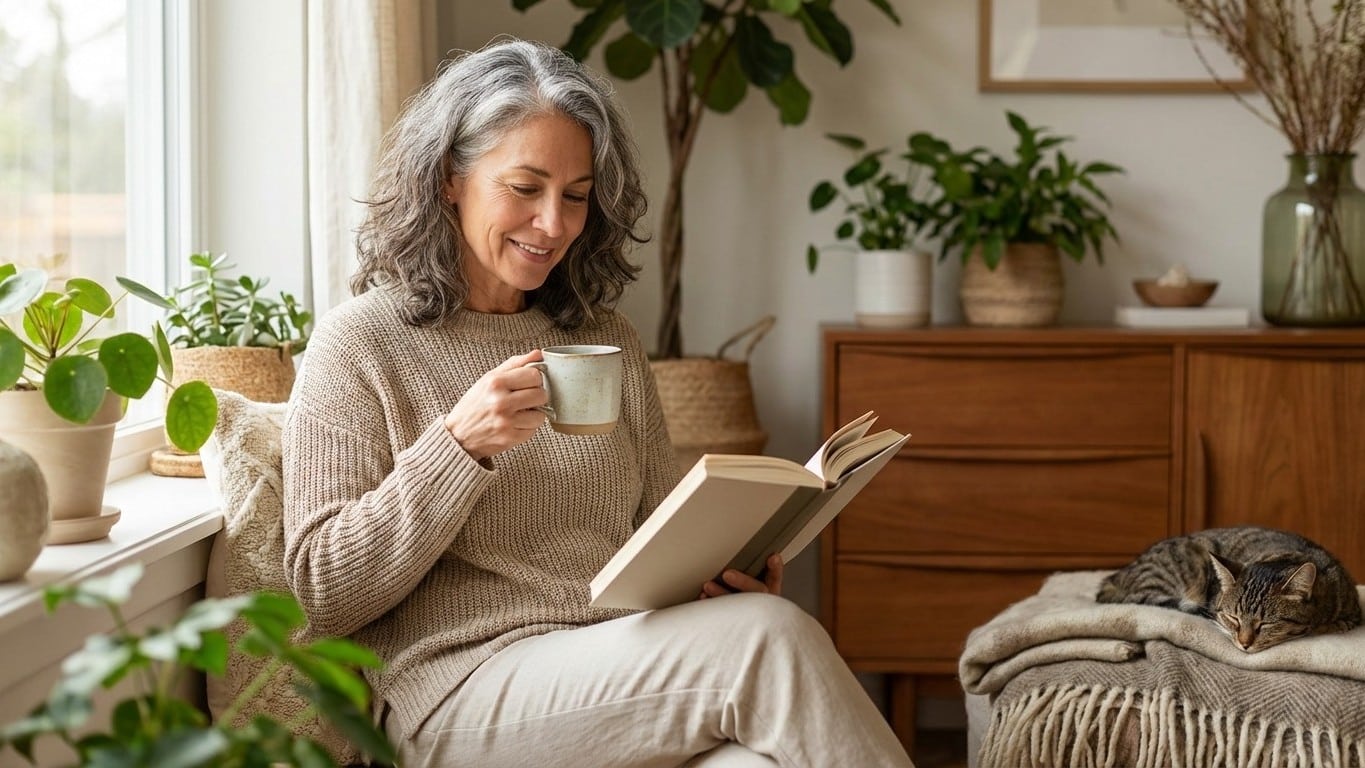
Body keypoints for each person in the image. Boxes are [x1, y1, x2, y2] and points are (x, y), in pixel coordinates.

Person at [281, 38, 916, 768]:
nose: (553, 224)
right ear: (449, 179)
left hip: (614, 675)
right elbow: (324, 592)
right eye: (525, 188)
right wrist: (455, 448)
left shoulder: (600, 337)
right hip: (459, 694)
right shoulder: (359, 343)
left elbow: (652, 537)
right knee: (772, 637)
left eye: (575, 196)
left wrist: (720, 584)